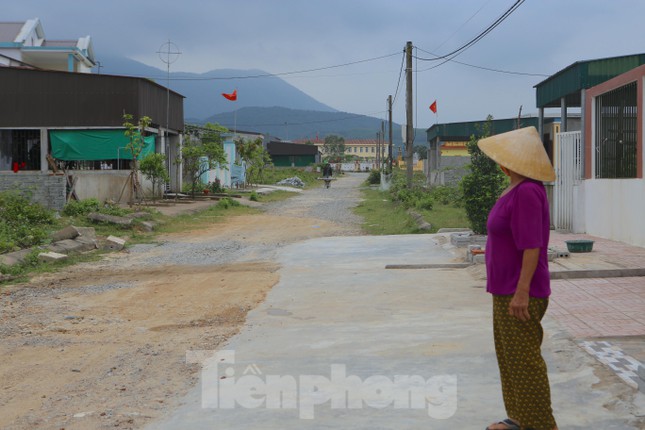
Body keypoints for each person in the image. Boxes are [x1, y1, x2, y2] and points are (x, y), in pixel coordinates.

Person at [477, 127, 559, 430]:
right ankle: (519, 419)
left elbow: (531, 246)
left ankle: (540, 425)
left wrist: (522, 291)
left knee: (525, 365)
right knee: (510, 359)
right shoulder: (514, 187)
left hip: (520, 292)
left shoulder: (526, 192)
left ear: (511, 163)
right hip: (505, 289)